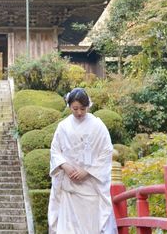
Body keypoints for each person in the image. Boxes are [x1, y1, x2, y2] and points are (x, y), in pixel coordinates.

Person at [48, 87, 117, 234]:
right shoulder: (63, 126)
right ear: (69, 106)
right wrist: (64, 165)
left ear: (88, 106)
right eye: (75, 109)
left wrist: (87, 171)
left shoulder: (98, 126)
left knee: (90, 227)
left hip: (90, 186)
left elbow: (106, 151)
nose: (79, 112)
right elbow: (55, 150)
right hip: (69, 186)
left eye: (83, 109)